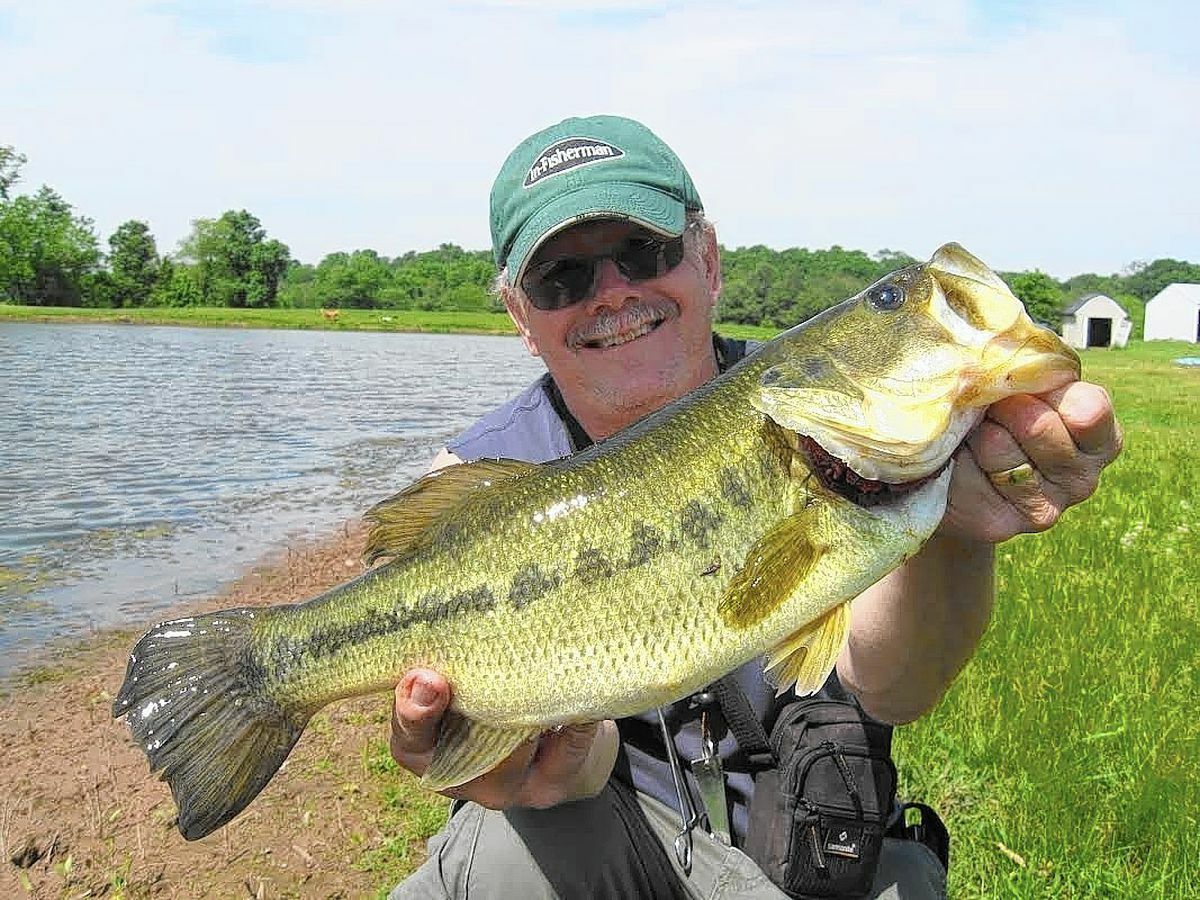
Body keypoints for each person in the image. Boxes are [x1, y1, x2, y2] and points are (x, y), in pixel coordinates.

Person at [388, 115, 1122, 899]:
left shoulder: (818, 430)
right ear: (520, 316)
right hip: (617, 842)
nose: (614, 292)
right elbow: (569, 757)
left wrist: (956, 534)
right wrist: (545, 763)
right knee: (501, 855)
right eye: (561, 278)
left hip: (816, 849)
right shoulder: (478, 486)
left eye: (644, 250)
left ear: (707, 259)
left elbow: (895, 689)